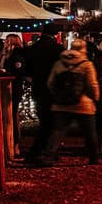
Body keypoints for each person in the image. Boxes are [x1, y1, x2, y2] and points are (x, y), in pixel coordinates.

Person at [40, 38, 100, 164]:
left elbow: (50, 83)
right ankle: (94, 157)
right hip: (83, 104)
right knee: (89, 132)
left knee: (57, 131)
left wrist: (57, 95)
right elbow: (92, 84)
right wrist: (95, 97)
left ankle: (49, 156)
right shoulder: (86, 64)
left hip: (60, 104)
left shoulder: (59, 63)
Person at [23, 27, 62, 163]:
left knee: (44, 120)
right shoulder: (58, 50)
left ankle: (43, 150)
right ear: (55, 35)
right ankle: (40, 151)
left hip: (37, 87)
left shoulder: (32, 49)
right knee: (50, 122)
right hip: (53, 89)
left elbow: (27, 71)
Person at [0, 34, 27, 147]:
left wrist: (6, 71)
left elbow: (19, 71)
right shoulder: (7, 56)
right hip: (9, 87)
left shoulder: (17, 56)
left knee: (12, 114)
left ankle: (15, 142)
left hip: (14, 88)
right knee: (10, 114)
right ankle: (11, 141)